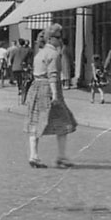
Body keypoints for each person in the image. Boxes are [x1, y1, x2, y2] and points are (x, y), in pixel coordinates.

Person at [25, 23, 77, 169]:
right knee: (64, 122)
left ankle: (33, 155)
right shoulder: (53, 54)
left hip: (36, 88)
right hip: (49, 89)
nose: (61, 40)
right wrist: (55, 95)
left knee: (35, 121)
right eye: (59, 37)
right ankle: (61, 156)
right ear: (51, 38)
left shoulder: (39, 53)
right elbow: (53, 75)